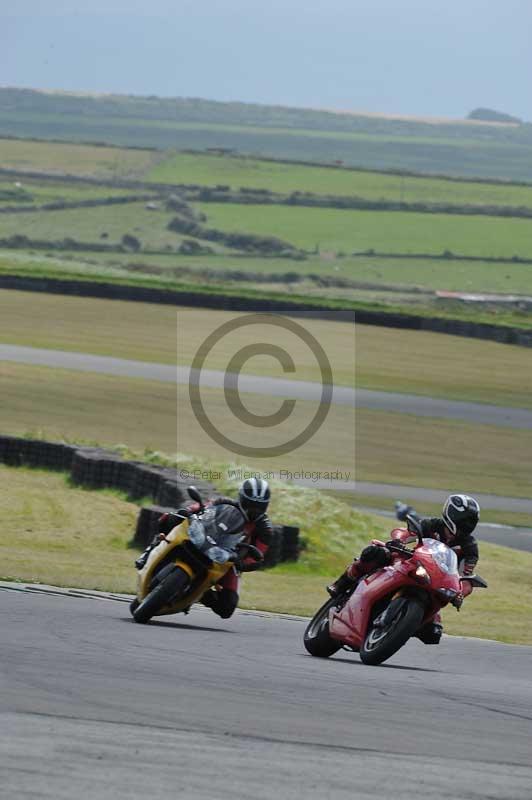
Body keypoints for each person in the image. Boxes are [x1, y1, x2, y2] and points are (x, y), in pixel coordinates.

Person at [327, 493, 480, 644]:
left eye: (471, 522)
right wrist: (399, 541)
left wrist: (460, 593)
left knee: (433, 633)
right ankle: (341, 583)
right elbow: (408, 532)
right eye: (465, 521)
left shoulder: (470, 546)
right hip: (412, 562)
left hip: (435, 582)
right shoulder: (432, 525)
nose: (466, 526)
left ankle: (398, 628)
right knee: (374, 553)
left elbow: (466, 577)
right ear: (451, 514)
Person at [135, 478, 273, 619]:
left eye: (259, 507)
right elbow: (204, 508)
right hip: (202, 538)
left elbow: (259, 554)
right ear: (241, 499)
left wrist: (242, 563)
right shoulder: (225, 503)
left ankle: (201, 592)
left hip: (227, 558)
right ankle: (147, 554)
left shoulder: (265, 529)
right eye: (250, 505)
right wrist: (189, 512)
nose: (253, 511)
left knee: (227, 607)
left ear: (265, 507)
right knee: (169, 519)